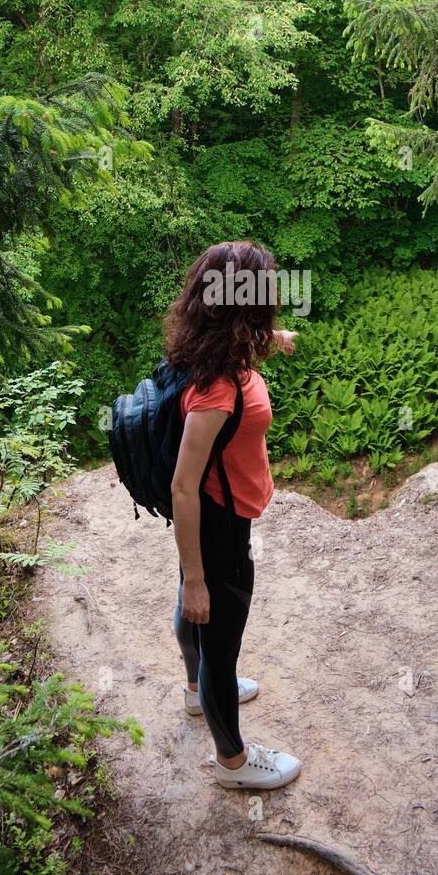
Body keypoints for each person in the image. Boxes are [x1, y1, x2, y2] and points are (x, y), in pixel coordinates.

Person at [165, 240, 301, 790]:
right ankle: (233, 762)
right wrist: (197, 576)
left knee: (193, 616)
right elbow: (182, 487)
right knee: (220, 641)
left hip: (216, 518)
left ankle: (197, 692)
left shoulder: (207, 347)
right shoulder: (217, 391)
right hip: (217, 523)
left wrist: (273, 339)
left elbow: (238, 345)